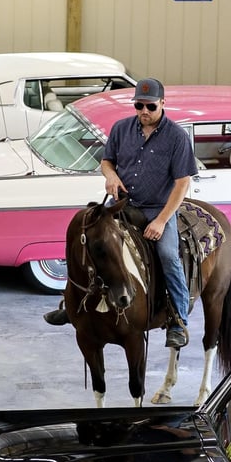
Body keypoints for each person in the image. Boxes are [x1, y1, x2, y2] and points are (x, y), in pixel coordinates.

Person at [44, 78, 197, 348]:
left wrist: (162, 221)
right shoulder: (121, 129)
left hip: (156, 210)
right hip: (122, 205)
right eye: (139, 105)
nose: (144, 111)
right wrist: (111, 176)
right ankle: (71, 303)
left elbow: (183, 183)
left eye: (150, 106)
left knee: (168, 256)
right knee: (87, 236)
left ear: (163, 103)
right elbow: (106, 161)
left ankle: (178, 320)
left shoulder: (176, 137)